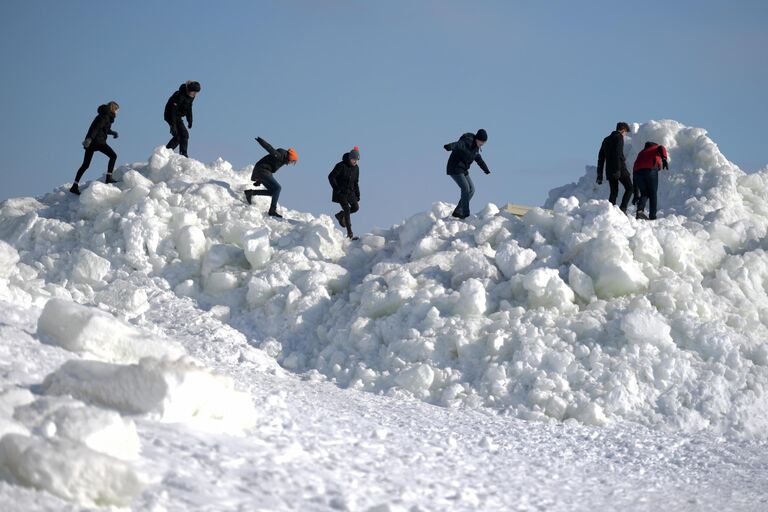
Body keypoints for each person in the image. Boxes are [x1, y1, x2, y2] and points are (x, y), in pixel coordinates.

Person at [70, 101, 120, 195]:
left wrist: (113, 133)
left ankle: (74, 186)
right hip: (97, 141)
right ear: (113, 109)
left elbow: (106, 129)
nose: (117, 113)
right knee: (113, 156)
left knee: (85, 165)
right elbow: (96, 128)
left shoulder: (105, 116)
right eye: (117, 110)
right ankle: (108, 178)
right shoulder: (105, 116)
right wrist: (89, 139)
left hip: (93, 142)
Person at [245, 136, 298, 218]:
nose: (291, 163)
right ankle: (272, 210)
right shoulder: (280, 156)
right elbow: (270, 149)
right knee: (278, 188)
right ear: (290, 158)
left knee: (273, 191)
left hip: (263, 171)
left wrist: (259, 180)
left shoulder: (283, 160)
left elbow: (268, 163)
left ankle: (250, 193)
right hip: (262, 170)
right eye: (292, 161)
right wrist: (260, 140)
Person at [444, 129, 491, 219]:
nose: (482, 144)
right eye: (481, 142)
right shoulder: (466, 142)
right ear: (477, 138)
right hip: (454, 168)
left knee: (472, 189)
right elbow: (458, 144)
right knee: (465, 188)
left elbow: (479, 160)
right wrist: (449, 146)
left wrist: (486, 169)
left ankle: (458, 210)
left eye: (483, 143)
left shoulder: (476, 149)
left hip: (463, 170)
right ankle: (465, 214)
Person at [597, 122, 633, 213]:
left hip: (609, 170)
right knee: (630, 188)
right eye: (625, 133)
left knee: (614, 191)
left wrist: (599, 175)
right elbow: (618, 153)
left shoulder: (605, 140)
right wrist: (617, 169)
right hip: (619, 168)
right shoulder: (619, 137)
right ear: (623, 130)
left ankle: (610, 211)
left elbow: (601, 158)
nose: (625, 135)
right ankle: (623, 208)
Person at [328, 146, 361, 240]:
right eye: (353, 159)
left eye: (357, 160)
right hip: (340, 192)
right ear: (350, 158)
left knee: (355, 208)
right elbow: (331, 177)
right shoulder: (341, 165)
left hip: (350, 192)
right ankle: (350, 234)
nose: (355, 162)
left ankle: (340, 215)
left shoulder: (356, 168)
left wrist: (358, 194)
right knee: (347, 209)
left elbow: (356, 182)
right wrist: (336, 188)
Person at [632, 141, 669, 220]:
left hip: (637, 173)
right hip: (650, 170)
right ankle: (652, 216)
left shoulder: (641, 153)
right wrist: (664, 159)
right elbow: (661, 147)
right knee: (653, 194)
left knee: (644, 193)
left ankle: (640, 211)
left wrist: (636, 194)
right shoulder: (655, 148)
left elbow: (635, 169)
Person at [164, 80, 201, 157]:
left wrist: (190, 120)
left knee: (178, 137)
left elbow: (189, 107)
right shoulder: (180, 95)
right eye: (193, 92)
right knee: (184, 135)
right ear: (188, 90)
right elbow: (172, 111)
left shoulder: (191, 96)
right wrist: (172, 125)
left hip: (177, 116)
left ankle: (165, 152)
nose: (195, 94)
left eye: (196, 92)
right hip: (171, 115)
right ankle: (183, 154)